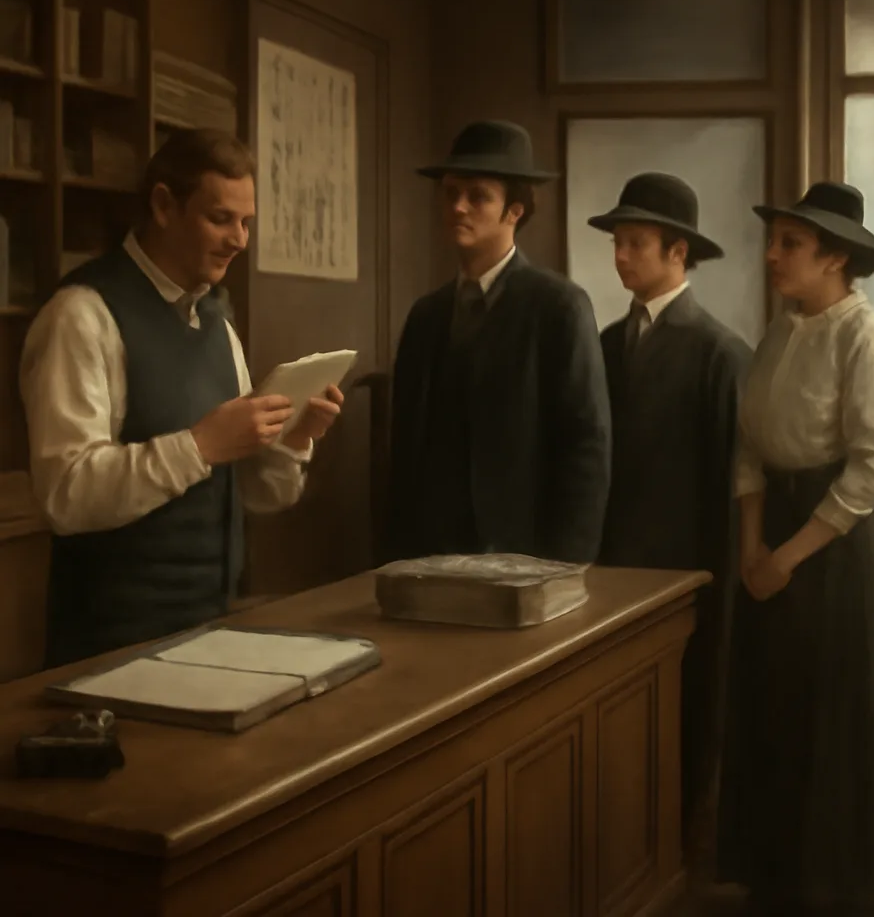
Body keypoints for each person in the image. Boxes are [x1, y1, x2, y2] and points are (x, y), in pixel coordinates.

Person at [20, 128, 344, 667]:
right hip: (111, 651)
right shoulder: (81, 314)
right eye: (221, 219)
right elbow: (66, 494)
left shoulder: (218, 325)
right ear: (164, 206)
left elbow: (253, 497)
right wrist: (198, 446)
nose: (240, 240)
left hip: (213, 629)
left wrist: (293, 440)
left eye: (246, 223)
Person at [717, 181, 874, 915]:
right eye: (774, 240)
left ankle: (836, 891)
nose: (773, 255)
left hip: (835, 549)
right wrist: (752, 547)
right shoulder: (781, 328)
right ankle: (775, 879)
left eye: (790, 245)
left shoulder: (863, 336)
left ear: (834, 258)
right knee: (775, 712)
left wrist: (790, 555)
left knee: (836, 722)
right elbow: (749, 442)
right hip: (769, 538)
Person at [591, 172, 750, 854]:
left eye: (636, 243)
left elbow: (732, 484)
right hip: (611, 566)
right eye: (618, 243)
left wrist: (724, 576)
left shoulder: (720, 352)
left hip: (690, 568)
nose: (621, 256)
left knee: (691, 711)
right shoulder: (601, 345)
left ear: (677, 252)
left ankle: (687, 849)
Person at [387, 119, 611, 563]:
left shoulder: (558, 307)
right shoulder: (427, 316)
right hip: (432, 555)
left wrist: (567, 566)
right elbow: (404, 453)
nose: (459, 207)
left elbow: (586, 445)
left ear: (515, 210)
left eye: (478, 196)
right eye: (450, 193)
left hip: (524, 553)